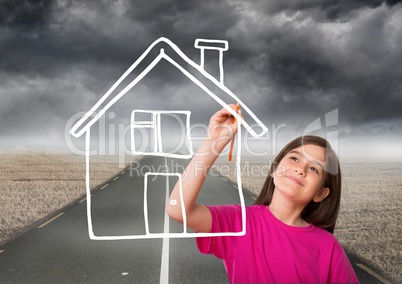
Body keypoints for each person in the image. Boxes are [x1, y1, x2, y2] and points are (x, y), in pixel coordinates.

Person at [167, 105, 359, 283]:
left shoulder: (328, 247)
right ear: (275, 169)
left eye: (315, 169)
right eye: (294, 158)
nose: (301, 169)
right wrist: (212, 143)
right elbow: (178, 209)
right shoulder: (239, 223)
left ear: (321, 193)